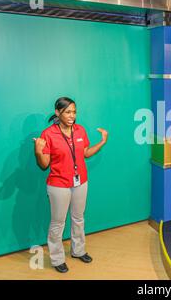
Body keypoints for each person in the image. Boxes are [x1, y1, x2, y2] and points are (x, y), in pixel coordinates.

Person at [34, 97, 108, 273]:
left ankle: (78, 250)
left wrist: (102, 141)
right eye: (67, 112)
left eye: (74, 112)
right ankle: (57, 258)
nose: (72, 115)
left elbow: (86, 153)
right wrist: (38, 151)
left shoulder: (80, 130)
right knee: (58, 223)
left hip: (80, 181)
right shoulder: (48, 134)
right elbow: (44, 165)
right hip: (58, 184)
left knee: (78, 218)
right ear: (57, 113)